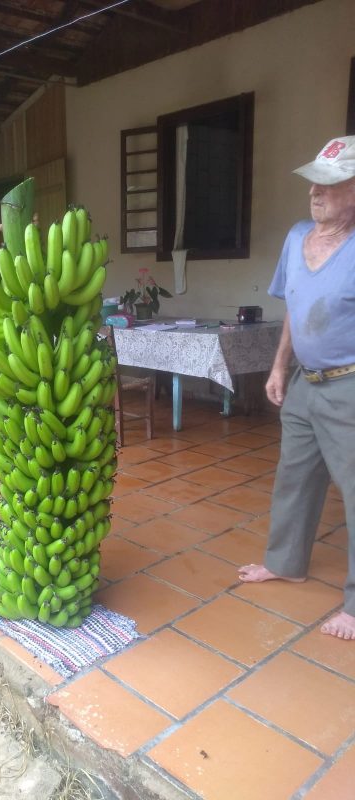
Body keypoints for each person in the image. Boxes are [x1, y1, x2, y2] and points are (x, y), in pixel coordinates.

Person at [238, 136, 355, 641]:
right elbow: (293, 308)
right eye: (314, 181)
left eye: (329, 184)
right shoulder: (297, 236)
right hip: (306, 382)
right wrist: (278, 367)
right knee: (295, 476)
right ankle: (287, 562)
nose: (315, 192)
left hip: (350, 386)